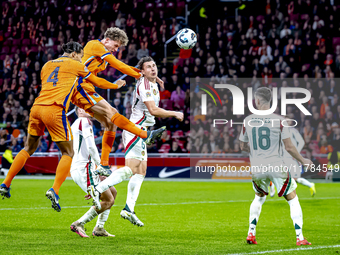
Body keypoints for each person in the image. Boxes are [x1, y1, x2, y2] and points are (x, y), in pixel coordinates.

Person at [0, 42, 124, 212]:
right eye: (80, 56)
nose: (81, 59)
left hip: (36, 108)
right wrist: (116, 85)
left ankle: (6, 184)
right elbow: (96, 81)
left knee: (28, 148)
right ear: (74, 54)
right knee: (68, 152)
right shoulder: (76, 65)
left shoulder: (46, 65)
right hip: (55, 109)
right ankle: (55, 190)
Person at [87, 57, 184, 226]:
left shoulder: (152, 82)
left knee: (141, 171)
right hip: (135, 130)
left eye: (154, 65)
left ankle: (128, 209)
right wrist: (174, 113)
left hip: (143, 131)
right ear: (142, 71)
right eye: (149, 67)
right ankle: (98, 189)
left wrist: (154, 78)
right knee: (132, 170)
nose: (153, 69)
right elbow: (153, 110)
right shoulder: (144, 84)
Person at [71, 27, 165, 167]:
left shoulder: (103, 55)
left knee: (111, 124)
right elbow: (119, 66)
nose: (116, 49)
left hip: (85, 88)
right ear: (107, 40)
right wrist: (140, 75)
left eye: (118, 47)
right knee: (113, 112)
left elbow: (123, 65)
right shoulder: (95, 45)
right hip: (79, 86)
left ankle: (103, 165)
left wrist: (148, 74)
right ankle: (145, 136)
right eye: (116, 45)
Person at [239, 87, 312, 246]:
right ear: (270, 101)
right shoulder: (280, 120)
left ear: (257, 101)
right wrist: (303, 160)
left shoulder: (247, 120)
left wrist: (258, 153)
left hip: (257, 167)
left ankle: (251, 234)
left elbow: (243, 146)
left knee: (259, 197)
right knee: (292, 198)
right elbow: (290, 147)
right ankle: (300, 237)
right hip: (276, 165)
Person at [69, 107, 117, 238]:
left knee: (113, 191)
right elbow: (91, 146)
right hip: (83, 168)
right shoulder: (84, 121)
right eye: (83, 107)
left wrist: (97, 169)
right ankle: (79, 223)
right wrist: (101, 166)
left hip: (85, 168)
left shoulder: (77, 123)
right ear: (78, 111)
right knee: (108, 200)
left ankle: (99, 228)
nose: (87, 109)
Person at [269, 116, 316, 197]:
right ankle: (272, 188)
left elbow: (301, 142)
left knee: (295, 178)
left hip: (291, 158)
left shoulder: (293, 131)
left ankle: (310, 185)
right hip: (282, 158)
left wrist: (296, 152)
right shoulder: (279, 132)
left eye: (288, 121)